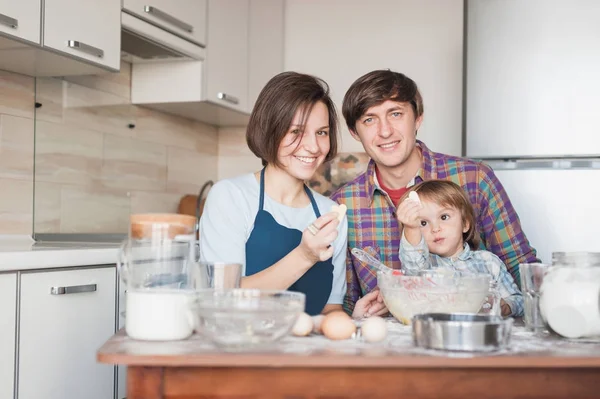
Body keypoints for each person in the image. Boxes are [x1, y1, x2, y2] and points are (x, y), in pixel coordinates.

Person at [330, 69, 539, 315]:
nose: (385, 131)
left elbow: (523, 271)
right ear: (355, 132)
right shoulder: (343, 205)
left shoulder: (475, 179)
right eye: (369, 120)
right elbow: (343, 304)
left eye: (396, 114)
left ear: (417, 118)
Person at [199, 71, 384, 317]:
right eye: (296, 132)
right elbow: (222, 300)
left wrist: (354, 320)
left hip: (308, 354)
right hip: (241, 351)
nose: (313, 146)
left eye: (321, 132)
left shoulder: (331, 213)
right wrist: (305, 255)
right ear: (269, 130)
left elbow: (330, 308)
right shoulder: (230, 197)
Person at [397, 180, 524, 317]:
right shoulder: (424, 268)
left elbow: (518, 300)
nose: (435, 228)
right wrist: (411, 228)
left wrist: (506, 307)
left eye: (444, 217)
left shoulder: (489, 263)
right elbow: (413, 264)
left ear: (465, 223)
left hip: (479, 334)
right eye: (423, 223)